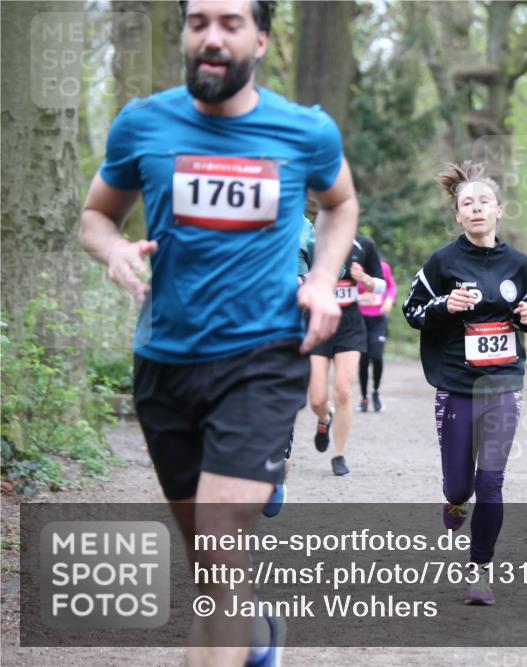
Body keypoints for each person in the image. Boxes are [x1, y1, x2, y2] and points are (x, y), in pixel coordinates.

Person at [78, 1, 358, 664]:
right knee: (210, 564)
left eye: (230, 23)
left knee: (219, 540)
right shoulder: (143, 125)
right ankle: (257, 638)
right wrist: (112, 248)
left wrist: (321, 278)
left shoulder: (303, 131)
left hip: (261, 360)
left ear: (259, 39)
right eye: (198, 20)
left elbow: (340, 204)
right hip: (165, 365)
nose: (211, 36)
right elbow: (97, 215)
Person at [403, 161, 527, 606]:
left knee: (491, 482)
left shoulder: (518, 264)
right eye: (468, 203)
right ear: (458, 215)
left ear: (499, 210)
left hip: (503, 383)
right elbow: (412, 312)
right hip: (456, 385)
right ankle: (454, 501)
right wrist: (446, 305)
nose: (477, 208)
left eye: (485, 201)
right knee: (458, 486)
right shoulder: (443, 262)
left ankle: (480, 571)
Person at [299, 217, 385, 476]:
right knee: (316, 398)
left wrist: (366, 280)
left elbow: (380, 285)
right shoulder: (312, 241)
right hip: (319, 322)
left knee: (344, 391)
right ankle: (325, 418)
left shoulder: (364, 244)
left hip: (349, 324)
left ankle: (339, 454)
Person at [358, 256, 396, 412]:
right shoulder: (355, 269)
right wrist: (360, 298)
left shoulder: (383, 267)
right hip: (360, 320)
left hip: (379, 320)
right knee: (364, 359)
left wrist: (389, 300)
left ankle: (375, 391)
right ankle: (364, 397)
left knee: (377, 357)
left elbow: (392, 287)